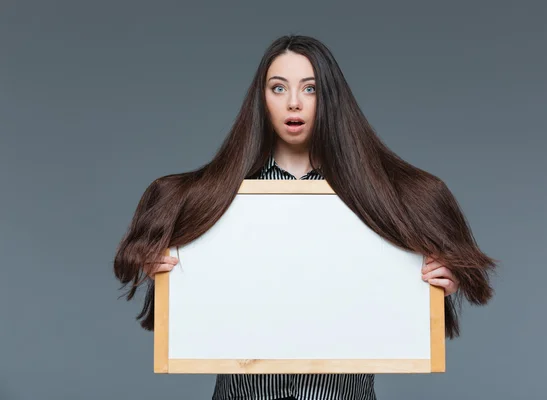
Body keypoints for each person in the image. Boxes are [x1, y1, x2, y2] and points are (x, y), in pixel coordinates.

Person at [114, 34, 496, 400]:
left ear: (329, 99)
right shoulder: (217, 200)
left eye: (310, 88)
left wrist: (441, 283)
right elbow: (191, 289)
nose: (293, 102)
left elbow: (415, 284)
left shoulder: (379, 200)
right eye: (278, 88)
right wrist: (161, 270)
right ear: (261, 100)